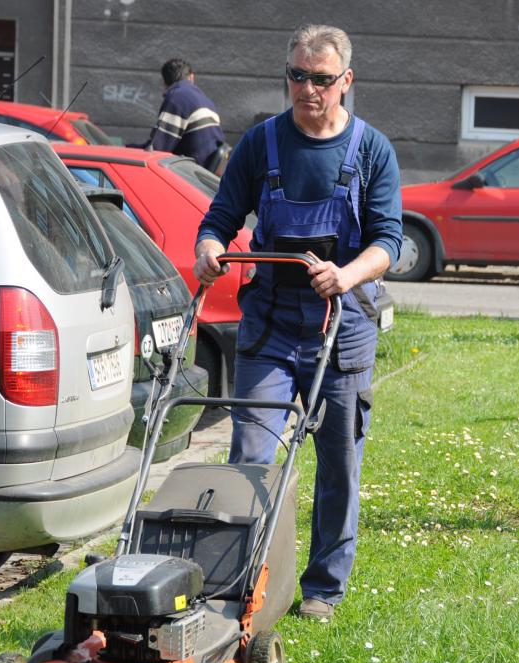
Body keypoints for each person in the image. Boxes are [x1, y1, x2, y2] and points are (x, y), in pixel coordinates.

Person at [192, 24, 402, 622]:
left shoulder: (371, 150)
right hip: (272, 328)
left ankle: (322, 591)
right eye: (297, 76)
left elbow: (390, 239)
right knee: (253, 456)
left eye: (321, 79)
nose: (307, 89)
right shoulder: (261, 144)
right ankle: (242, 580)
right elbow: (220, 217)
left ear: (346, 82)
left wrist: (349, 274)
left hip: (343, 326)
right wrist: (209, 247)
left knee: (339, 463)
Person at [141, 58, 228, 172]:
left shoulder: (177, 98)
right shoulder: (206, 101)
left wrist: (125, 149)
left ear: (165, 82)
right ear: (191, 77)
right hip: (207, 173)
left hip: (191, 174)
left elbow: (156, 150)